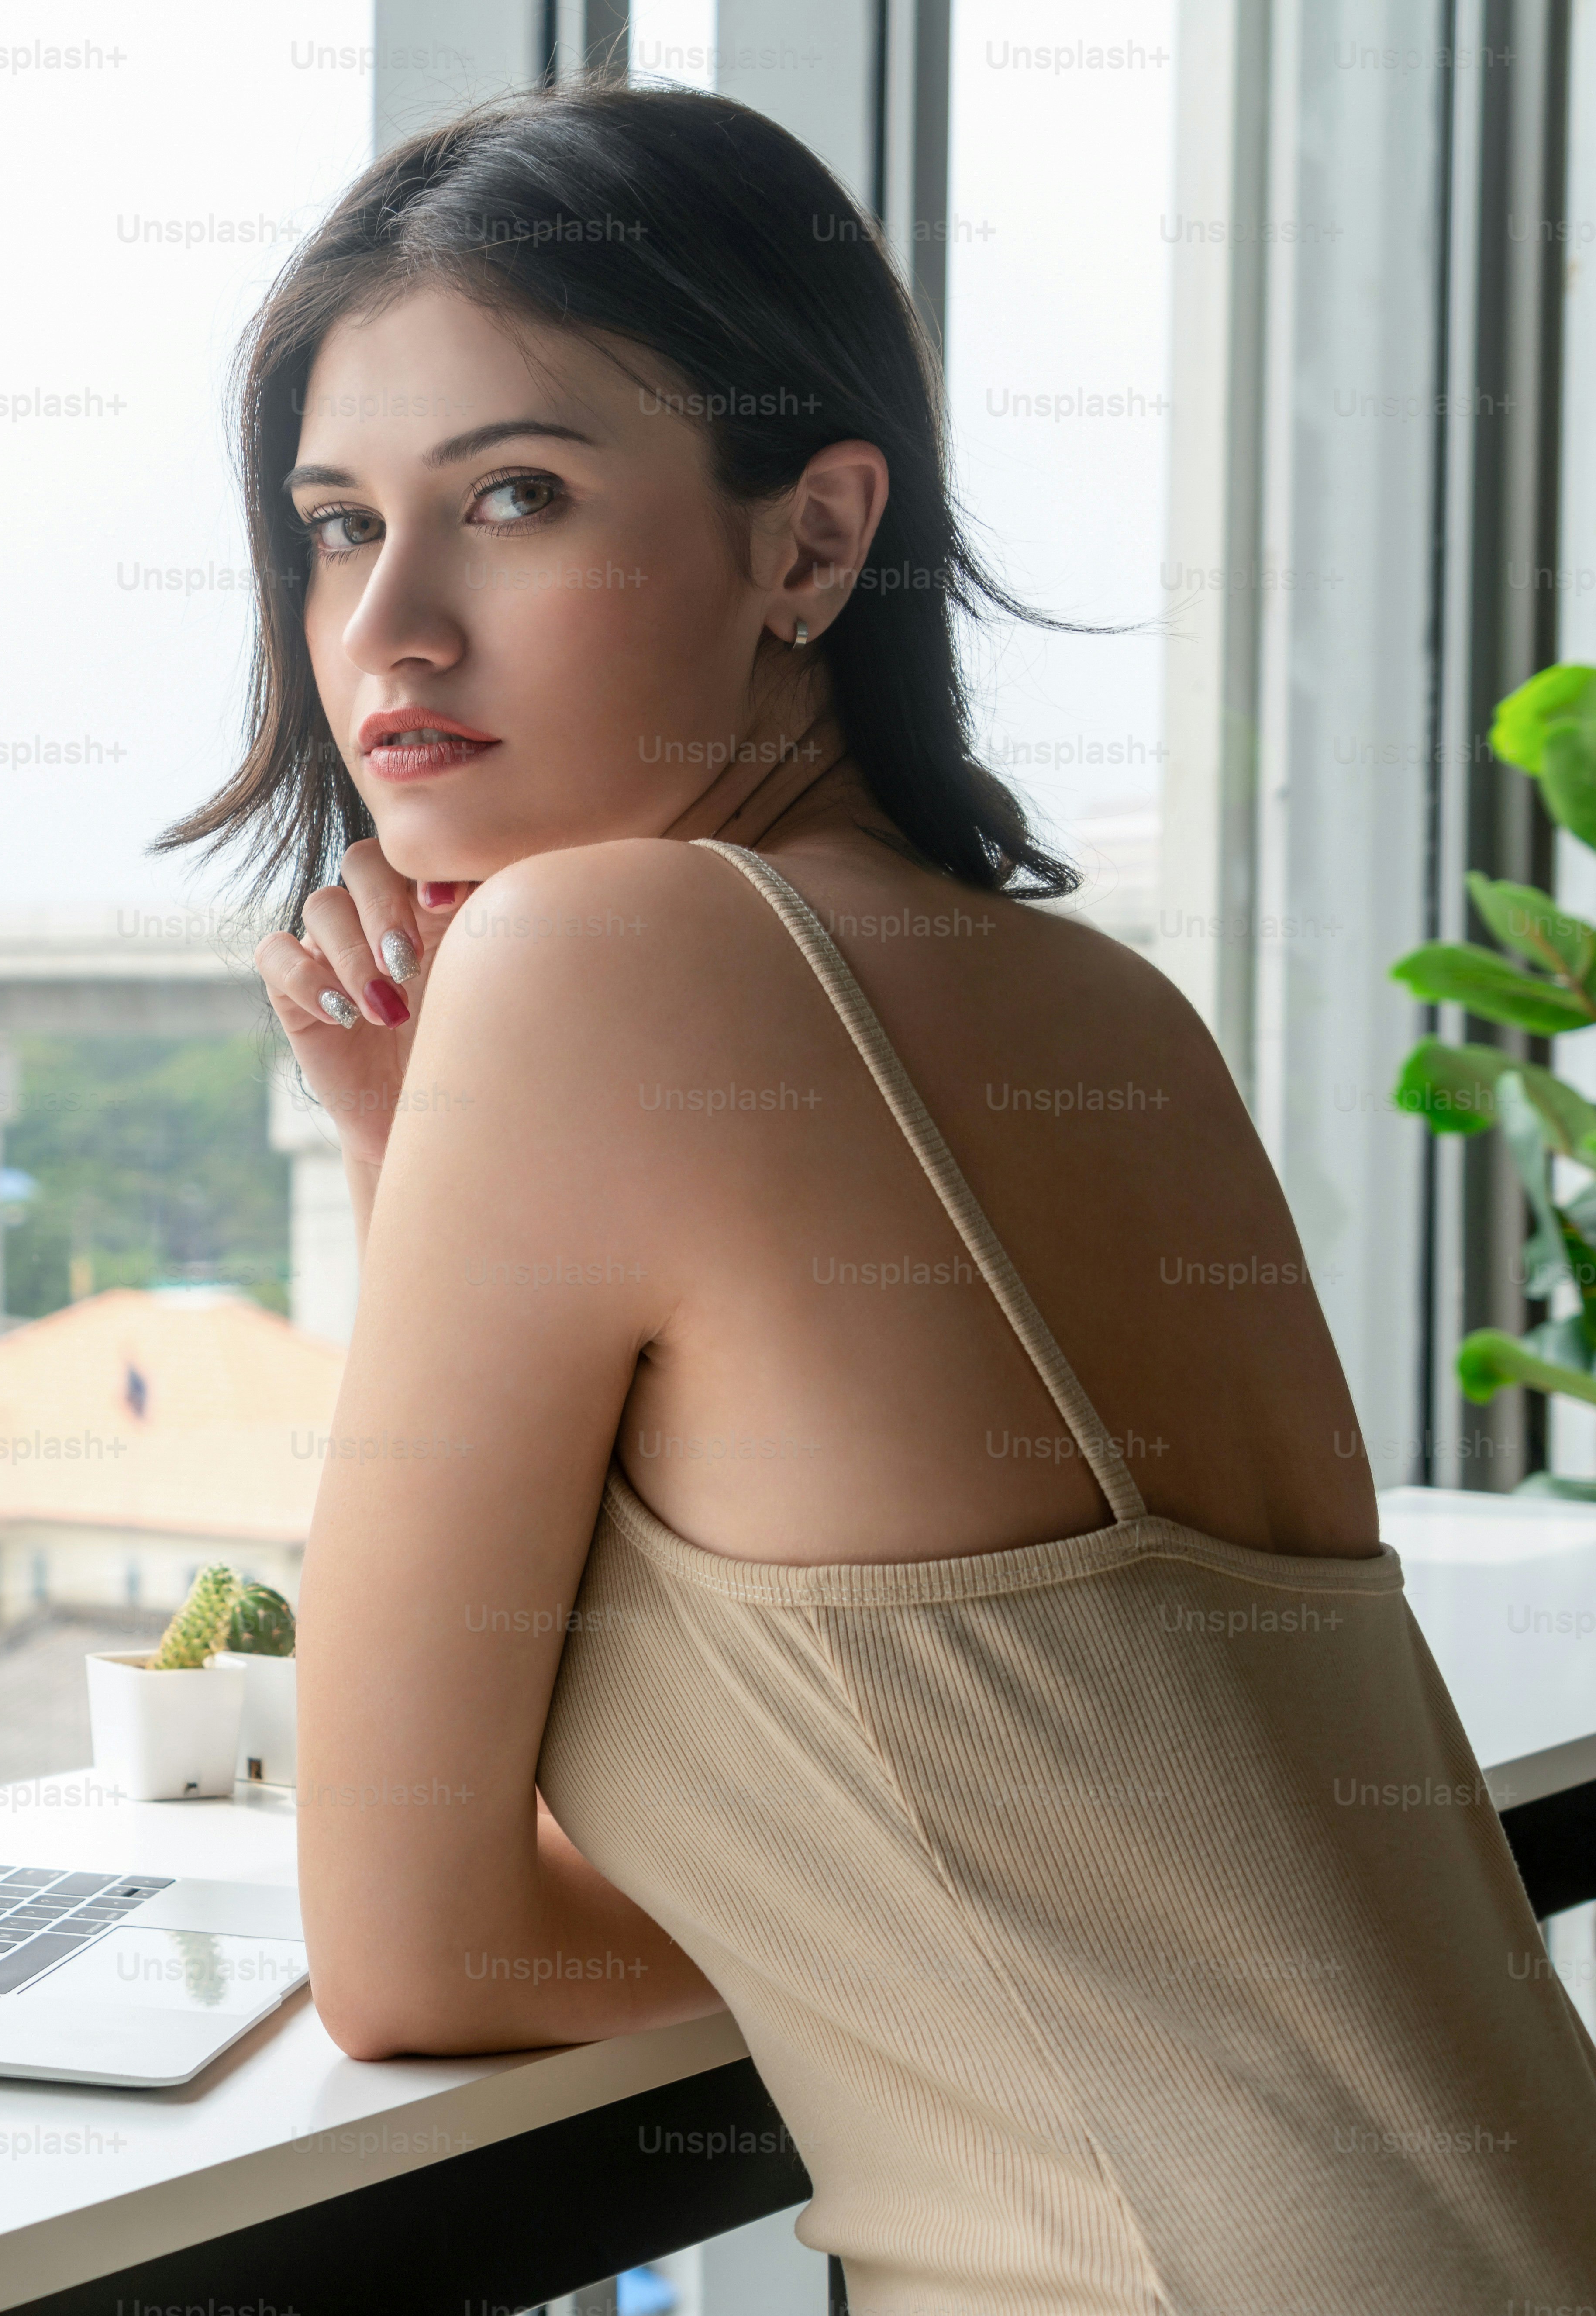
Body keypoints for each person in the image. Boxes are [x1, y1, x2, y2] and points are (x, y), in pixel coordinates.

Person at [170, 83, 1596, 2313]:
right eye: (338, 525)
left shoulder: (604, 954)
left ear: (812, 543)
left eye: (512, 497)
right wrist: (402, 1150)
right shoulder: (1096, 1004)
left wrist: (914, 1970)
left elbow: (412, 1954)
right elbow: (1052, 1808)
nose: (391, 632)